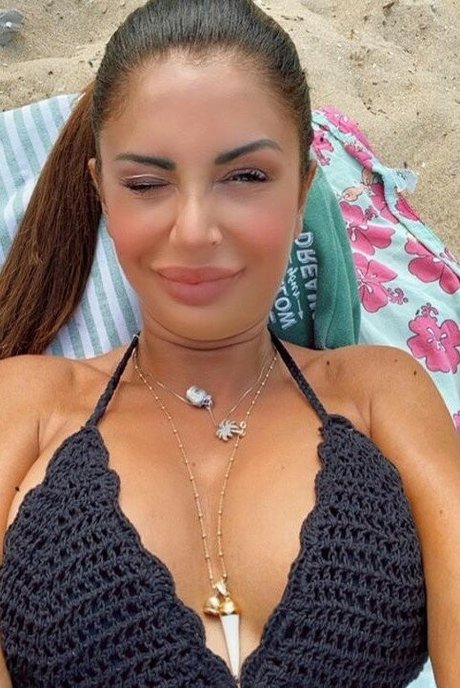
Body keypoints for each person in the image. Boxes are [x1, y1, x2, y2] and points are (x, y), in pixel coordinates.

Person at [0, 0, 459, 686]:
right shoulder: (28, 404)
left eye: (246, 177)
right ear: (102, 195)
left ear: (302, 190)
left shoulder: (380, 392)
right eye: (146, 183)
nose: (194, 231)